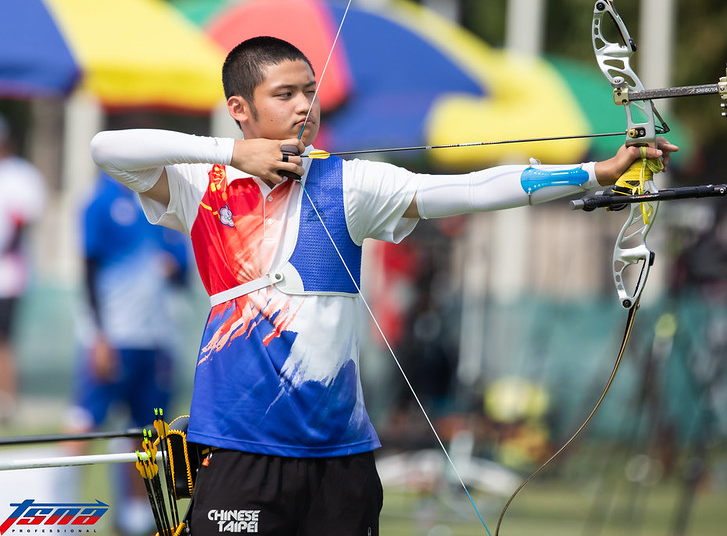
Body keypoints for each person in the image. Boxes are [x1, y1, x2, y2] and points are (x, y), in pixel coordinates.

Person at [91, 35, 677, 535]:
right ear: (240, 108)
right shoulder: (203, 184)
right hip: (240, 447)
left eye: (310, 93)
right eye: (285, 94)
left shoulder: (350, 184)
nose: (305, 107)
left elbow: (472, 189)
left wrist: (595, 171)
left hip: (338, 457)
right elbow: (106, 149)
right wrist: (234, 153)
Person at [64, 171, 189, 536]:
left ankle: (135, 516)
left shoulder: (166, 202)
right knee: (85, 421)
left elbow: (182, 270)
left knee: (145, 431)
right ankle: (55, 510)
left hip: (158, 338)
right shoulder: (101, 200)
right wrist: (99, 336)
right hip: (114, 335)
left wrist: (172, 268)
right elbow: (87, 269)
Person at [0, 113, 46, 424]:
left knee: (4, 339)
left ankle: (6, 399)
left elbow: (21, 223)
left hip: (8, 275)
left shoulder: (20, 175)